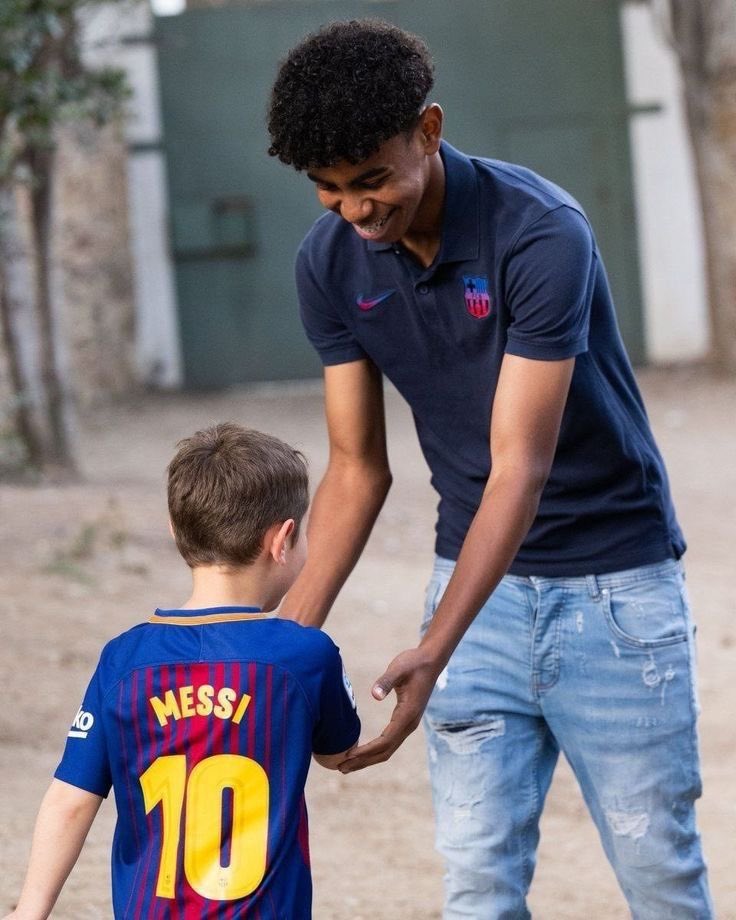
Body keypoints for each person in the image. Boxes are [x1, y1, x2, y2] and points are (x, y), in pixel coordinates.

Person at [267, 18, 713, 919]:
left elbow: (521, 465)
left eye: (373, 180)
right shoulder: (329, 263)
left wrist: (435, 648)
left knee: (658, 875)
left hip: (614, 594)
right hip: (472, 586)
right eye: (329, 190)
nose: (357, 210)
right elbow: (357, 468)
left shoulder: (541, 233)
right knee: (475, 882)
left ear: (428, 131)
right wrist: (278, 646)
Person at [4, 423, 360, 920]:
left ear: (177, 532)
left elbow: (71, 797)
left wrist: (29, 911)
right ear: (284, 539)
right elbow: (336, 751)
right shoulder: (306, 656)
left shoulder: (124, 660)